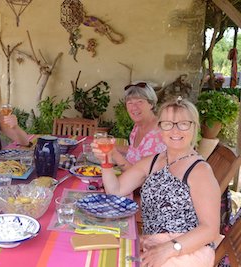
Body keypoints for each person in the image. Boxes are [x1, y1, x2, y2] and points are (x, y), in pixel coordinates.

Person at [94, 98, 220, 266]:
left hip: (186, 250)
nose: (175, 130)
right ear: (159, 128)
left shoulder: (199, 171)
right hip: (152, 244)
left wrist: (168, 249)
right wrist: (105, 161)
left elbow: (210, 230)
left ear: (194, 127)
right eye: (167, 124)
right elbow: (115, 190)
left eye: (183, 124)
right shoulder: (153, 161)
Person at [111, 82, 166, 171]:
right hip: (129, 178)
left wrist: (114, 154)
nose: (134, 107)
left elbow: (141, 175)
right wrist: (111, 147)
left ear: (151, 104)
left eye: (140, 102)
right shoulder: (138, 126)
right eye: (130, 103)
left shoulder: (157, 133)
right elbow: (135, 151)